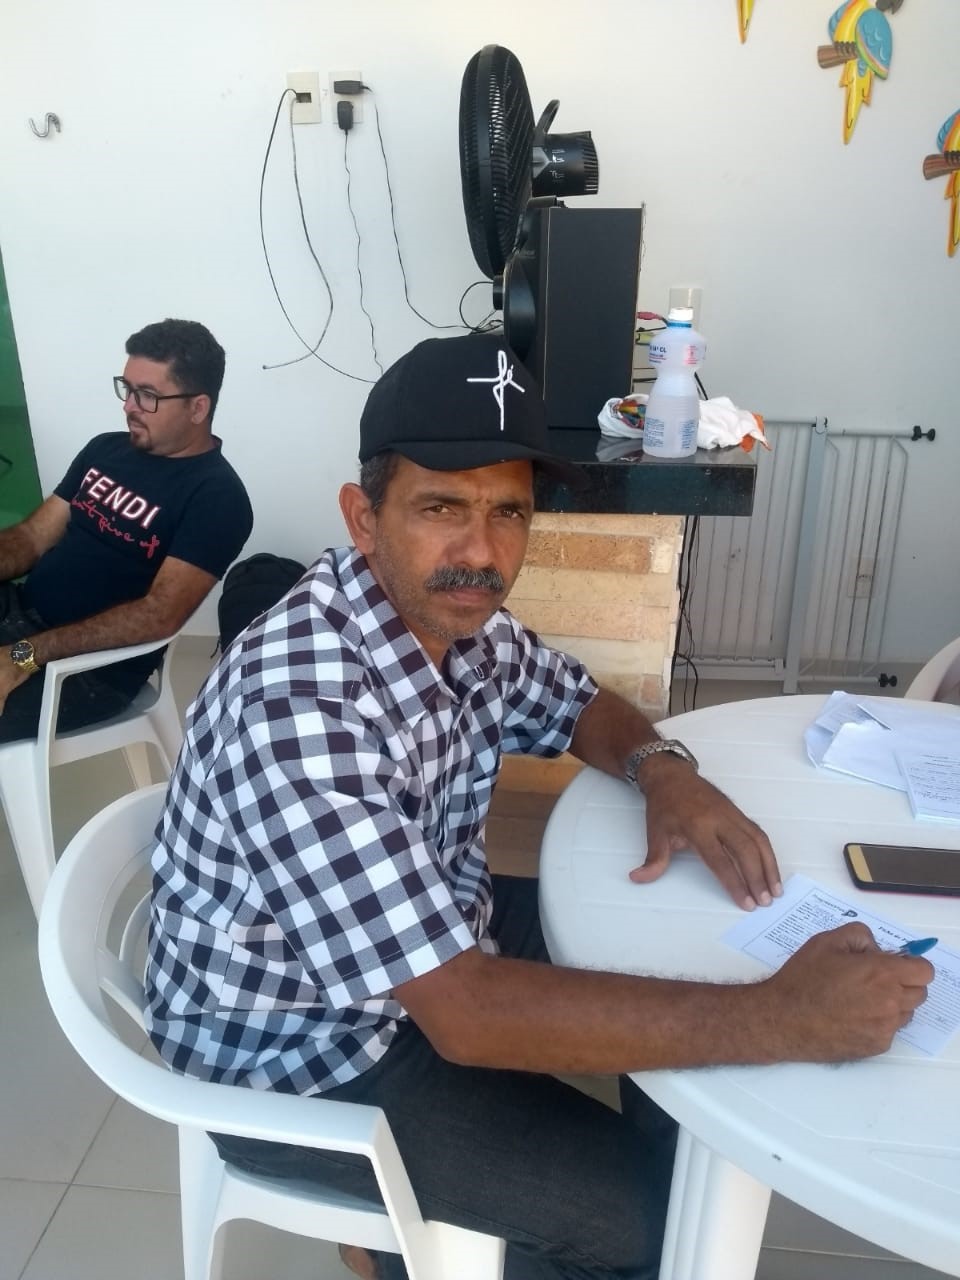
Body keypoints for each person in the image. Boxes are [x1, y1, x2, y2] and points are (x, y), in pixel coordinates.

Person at [145, 334, 933, 1280]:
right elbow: (466, 1016)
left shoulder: (454, 619)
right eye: (441, 507)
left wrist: (664, 769)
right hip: (303, 1054)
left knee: (686, 957)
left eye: (508, 511)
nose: (482, 552)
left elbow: (578, 703)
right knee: (658, 1225)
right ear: (364, 518)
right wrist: (782, 1019)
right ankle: (404, 1250)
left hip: (435, 938)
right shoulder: (300, 710)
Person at [0, 318, 253, 743]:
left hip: (87, 671)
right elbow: (31, 538)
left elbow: (159, 614)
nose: (129, 407)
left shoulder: (218, 498)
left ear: (198, 408)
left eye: (147, 395)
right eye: (127, 389)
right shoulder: (105, 449)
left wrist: (25, 655)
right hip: (20, 614)